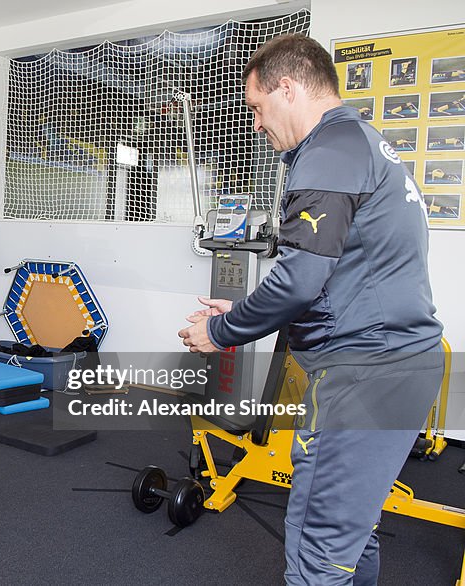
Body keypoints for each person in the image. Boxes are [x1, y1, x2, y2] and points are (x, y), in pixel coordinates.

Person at [178, 35, 443, 585]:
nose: (255, 123)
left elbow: (299, 280)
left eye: (255, 106)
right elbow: (351, 272)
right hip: (398, 363)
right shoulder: (363, 142)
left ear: (288, 88)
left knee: (316, 549)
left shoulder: (328, 152)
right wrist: (255, 309)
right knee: (351, 530)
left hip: (365, 373)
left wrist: (222, 331)